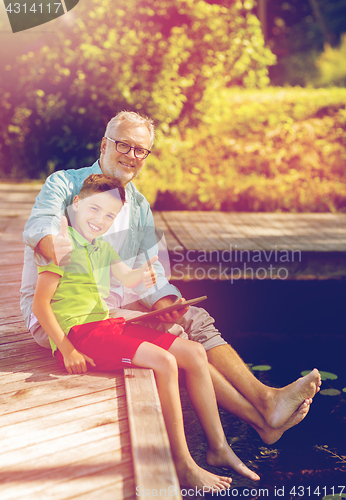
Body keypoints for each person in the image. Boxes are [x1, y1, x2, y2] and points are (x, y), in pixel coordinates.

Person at [21, 110, 321, 448]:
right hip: (62, 319)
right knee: (180, 335)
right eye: (124, 145)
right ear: (105, 144)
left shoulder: (137, 207)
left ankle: (266, 406)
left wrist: (165, 302)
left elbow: (150, 271)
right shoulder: (65, 184)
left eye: (141, 150)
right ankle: (263, 411)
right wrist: (61, 246)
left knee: (191, 316)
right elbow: (40, 226)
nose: (131, 156)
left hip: (107, 309)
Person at [32, 173, 260, 488]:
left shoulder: (103, 249)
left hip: (106, 324)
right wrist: (67, 349)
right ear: (76, 204)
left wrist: (153, 279)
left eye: (110, 215)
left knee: (193, 351)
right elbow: (40, 305)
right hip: (81, 336)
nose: (101, 220)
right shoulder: (62, 247)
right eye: (94, 209)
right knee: (165, 362)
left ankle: (219, 447)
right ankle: (182, 462)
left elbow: (130, 279)